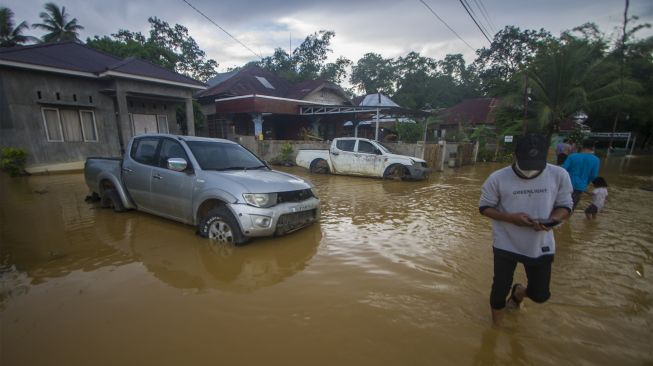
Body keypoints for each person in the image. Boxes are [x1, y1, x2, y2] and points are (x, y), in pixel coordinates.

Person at [479, 134, 573, 326]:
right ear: (515, 155)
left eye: (536, 163)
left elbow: (565, 205)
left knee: (540, 295)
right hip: (506, 241)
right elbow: (484, 208)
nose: (530, 169)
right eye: (526, 162)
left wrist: (552, 220)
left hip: (540, 243)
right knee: (499, 289)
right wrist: (511, 218)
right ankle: (496, 329)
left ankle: (519, 292)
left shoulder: (559, 175)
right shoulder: (497, 178)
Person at [562, 139, 600, 211]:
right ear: (593, 147)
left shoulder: (572, 156)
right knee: (570, 208)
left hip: (566, 185)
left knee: (560, 205)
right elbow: (593, 176)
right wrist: (585, 183)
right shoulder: (596, 160)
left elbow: (563, 170)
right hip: (580, 187)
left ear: (582, 146)